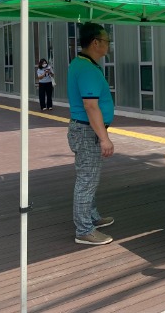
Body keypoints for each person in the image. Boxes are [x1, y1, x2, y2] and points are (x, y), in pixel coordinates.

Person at [67, 23, 116, 246]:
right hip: (87, 131)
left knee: (90, 177)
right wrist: (104, 138)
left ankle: (92, 216)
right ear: (95, 42)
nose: (109, 45)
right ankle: (84, 229)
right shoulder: (86, 68)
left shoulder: (84, 64)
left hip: (86, 130)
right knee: (87, 179)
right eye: (106, 40)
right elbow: (90, 106)